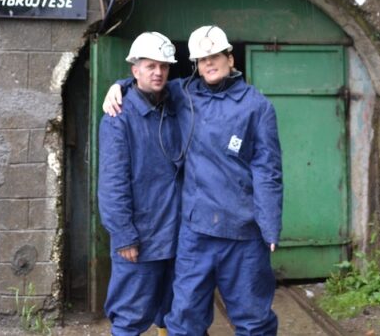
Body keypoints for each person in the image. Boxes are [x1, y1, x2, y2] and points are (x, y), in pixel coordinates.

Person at [105, 25, 283, 336]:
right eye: (201, 59)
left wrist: (269, 225)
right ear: (195, 65)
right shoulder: (184, 93)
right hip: (195, 233)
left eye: (214, 56)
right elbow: (145, 85)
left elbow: (267, 170)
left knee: (254, 319)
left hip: (243, 231)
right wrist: (118, 86)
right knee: (185, 319)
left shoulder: (257, 106)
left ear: (230, 58)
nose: (208, 64)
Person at [98, 31, 183, 336]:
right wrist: (123, 235)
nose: (158, 72)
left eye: (163, 66)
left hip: (176, 234)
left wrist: (119, 85)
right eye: (150, 66)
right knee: (130, 316)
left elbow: (204, 86)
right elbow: (112, 182)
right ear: (135, 70)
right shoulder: (118, 116)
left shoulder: (174, 105)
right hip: (141, 238)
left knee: (175, 312)